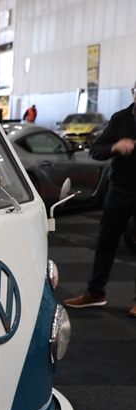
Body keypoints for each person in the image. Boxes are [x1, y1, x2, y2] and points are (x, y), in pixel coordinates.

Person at [64, 81, 136, 316]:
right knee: (105, 242)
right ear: (133, 93)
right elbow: (96, 150)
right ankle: (95, 293)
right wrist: (116, 146)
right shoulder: (119, 119)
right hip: (119, 190)